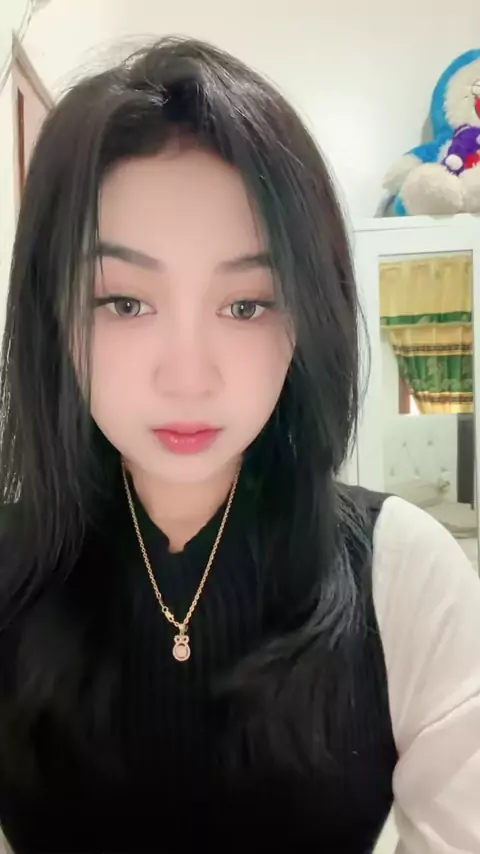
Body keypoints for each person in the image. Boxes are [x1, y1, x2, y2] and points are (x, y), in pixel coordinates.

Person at [0, 36, 478, 854]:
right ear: (54, 315)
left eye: (247, 304)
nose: (189, 378)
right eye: (124, 302)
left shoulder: (401, 570)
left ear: (308, 320)